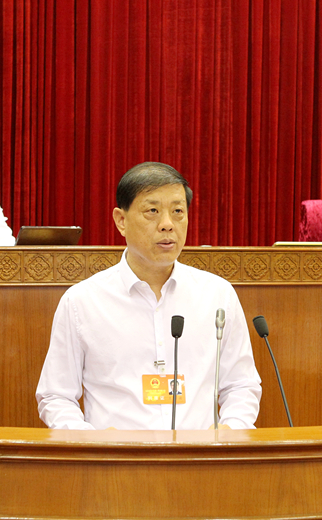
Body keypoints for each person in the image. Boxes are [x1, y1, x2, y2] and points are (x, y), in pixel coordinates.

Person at [36, 162, 261, 430]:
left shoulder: (217, 295)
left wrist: (229, 431)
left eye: (178, 211)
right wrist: (91, 440)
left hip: (198, 454)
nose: (167, 225)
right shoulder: (82, 301)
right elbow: (56, 396)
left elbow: (241, 385)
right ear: (121, 220)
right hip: (117, 455)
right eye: (152, 211)